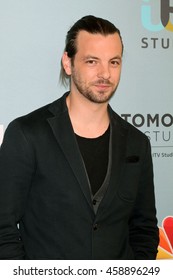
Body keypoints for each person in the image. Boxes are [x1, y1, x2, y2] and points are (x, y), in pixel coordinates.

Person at [0, 15, 159, 260]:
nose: (105, 74)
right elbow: (3, 228)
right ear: (68, 62)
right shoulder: (27, 134)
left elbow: (144, 228)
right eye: (92, 61)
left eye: (114, 62)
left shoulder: (137, 142)